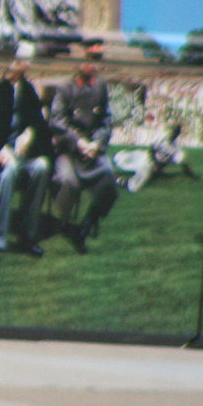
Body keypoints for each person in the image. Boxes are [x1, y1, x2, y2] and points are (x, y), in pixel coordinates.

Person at [0, 41, 48, 268]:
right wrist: (1, 148)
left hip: (23, 154)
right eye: (20, 60)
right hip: (0, 155)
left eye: (27, 61)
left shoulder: (29, 91)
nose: (23, 65)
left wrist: (29, 132)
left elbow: (38, 123)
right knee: (8, 173)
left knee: (42, 166)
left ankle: (28, 235)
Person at [47, 44, 119, 254]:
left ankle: (85, 226)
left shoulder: (101, 86)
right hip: (69, 149)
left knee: (109, 179)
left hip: (92, 150)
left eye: (96, 59)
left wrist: (97, 142)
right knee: (68, 181)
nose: (92, 64)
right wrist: (78, 141)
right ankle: (62, 221)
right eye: (88, 58)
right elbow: (57, 120)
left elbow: (106, 120)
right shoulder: (65, 87)